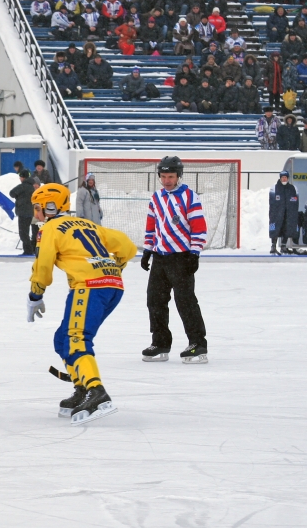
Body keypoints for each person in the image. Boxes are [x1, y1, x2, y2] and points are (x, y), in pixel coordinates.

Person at [25, 183, 137, 425]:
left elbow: (43, 264)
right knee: (62, 338)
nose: (35, 213)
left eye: (37, 207)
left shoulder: (50, 228)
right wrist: (114, 267)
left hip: (89, 287)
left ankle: (96, 391)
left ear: (50, 207)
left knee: (77, 338)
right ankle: (82, 387)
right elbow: (127, 246)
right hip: (113, 286)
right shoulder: (88, 224)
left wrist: (36, 293)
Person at [140, 156, 209, 364]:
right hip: (160, 259)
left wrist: (194, 253)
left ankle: (198, 343)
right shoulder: (157, 197)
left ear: (179, 176)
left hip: (181, 258)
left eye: (170, 176)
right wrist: (147, 250)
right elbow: (151, 225)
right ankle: (160, 342)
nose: (167, 180)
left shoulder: (189, 197)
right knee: (155, 300)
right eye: (163, 176)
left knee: (185, 302)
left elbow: (199, 227)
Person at [269, 170, 301, 254]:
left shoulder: (292, 188)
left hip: (288, 214)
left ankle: (283, 246)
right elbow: (271, 202)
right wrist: (273, 213)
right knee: (275, 229)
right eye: (282, 177)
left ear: (288, 178)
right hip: (277, 213)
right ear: (280, 178)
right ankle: (273, 246)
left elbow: (295, 202)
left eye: (285, 177)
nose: (284, 179)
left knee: (287, 229)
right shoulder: (274, 188)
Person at [10, 170, 36, 255]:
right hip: (30, 212)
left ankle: (28, 250)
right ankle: (30, 249)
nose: (20, 178)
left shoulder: (22, 186)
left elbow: (12, 193)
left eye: (20, 177)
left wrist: (18, 196)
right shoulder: (32, 187)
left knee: (23, 233)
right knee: (27, 232)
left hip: (23, 212)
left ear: (23, 177)